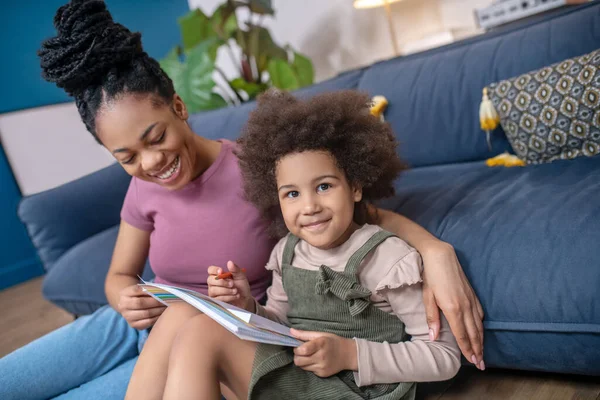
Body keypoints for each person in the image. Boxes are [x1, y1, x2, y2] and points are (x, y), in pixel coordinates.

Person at [0, 1, 483, 399]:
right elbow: (119, 276)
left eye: (155, 138)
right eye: (126, 157)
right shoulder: (142, 187)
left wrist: (435, 251)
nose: (149, 164)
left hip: (222, 333)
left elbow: (357, 215)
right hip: (139, 326)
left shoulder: (260, 170)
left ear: (179, 108)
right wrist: (123, 299)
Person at [132, 89, 461, 400]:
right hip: (301, 380)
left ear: (355, 186)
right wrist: (248, 306)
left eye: (324, 186)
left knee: (202, 334)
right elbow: (281, 324)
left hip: (354, 389)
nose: (309, 206)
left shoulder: (387, 259)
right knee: (190, 322)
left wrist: (351, 354)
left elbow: (444, 356)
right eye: (292, 193)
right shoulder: (287, 252)